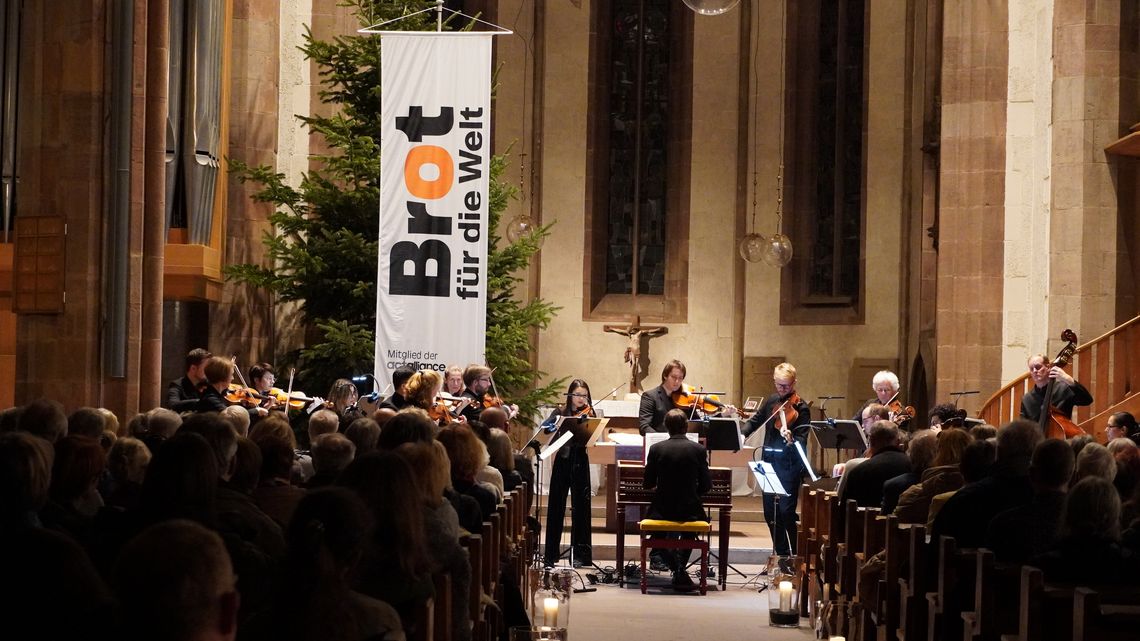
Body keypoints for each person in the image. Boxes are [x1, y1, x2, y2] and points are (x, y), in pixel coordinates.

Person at [743, 362, 812, 556]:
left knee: (786, 512)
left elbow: (802, 438)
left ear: (794, 382)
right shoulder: (772, 400)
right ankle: (782, 555)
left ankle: (798, 555)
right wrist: (741, 434)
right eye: (779, 385)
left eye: (787, 386)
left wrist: (790, 438)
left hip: (788, 466)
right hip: (767, 463)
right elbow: (755, 420)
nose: (783, 390)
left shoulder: (801, 408)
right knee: (769, 513)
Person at [643, 408, 711, 591]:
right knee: (690, 530)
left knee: (657, 536)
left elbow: (648, 483)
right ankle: (680, 568)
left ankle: (676, 568)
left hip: (662, 509)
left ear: (666, 427)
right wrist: (691, 491)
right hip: (690, 509)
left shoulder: (656, 448)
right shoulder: (698, 449)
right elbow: (706, 486)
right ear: (686, 427)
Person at [541, 379, 596, 568]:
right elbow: (544, 429)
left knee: (582, 508)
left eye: (585, 395)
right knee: (556, 506)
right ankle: (551, 554)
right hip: (563, 461)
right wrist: (552, 426)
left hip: (581, 461)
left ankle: (581, 554)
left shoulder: (590, 413)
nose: (581, 399)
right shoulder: (560, 412)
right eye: (578, 394)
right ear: (570, 395)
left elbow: (593, 437)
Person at [1019, 353, 1092, 427]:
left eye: (1038, 367)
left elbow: (1087, 400)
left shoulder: (1063, 389)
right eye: (1031, 369)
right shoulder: (1027, 399)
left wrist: (1068, 379)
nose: (1034, 371)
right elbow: (1023, 428)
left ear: (1048, 367)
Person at [639, 359, 686, 435]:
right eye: (674, 377)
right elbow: (644, 427)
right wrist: (662, 440)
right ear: (665, 376)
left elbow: (694, 422)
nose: (677, 381)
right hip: (658, 444)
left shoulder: (683, 399)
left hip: (680, 444)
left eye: (680, 378)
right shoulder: (649, 396)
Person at [164, 347, 212, 413]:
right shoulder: (177, 385)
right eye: (206, 368)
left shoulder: (209, 384)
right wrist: (201, 402)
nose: (209, 371)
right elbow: (173, 404)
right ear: (193, 368)